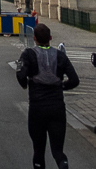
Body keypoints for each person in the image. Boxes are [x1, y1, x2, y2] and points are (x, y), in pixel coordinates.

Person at [16, 23, 79, 169]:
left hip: (37, 107)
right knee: (57, 150)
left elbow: (20, 74)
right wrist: (62, 86)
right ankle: (63, 164)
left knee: (38, 149)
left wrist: (25, 84)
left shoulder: (28, 54)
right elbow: (75, 80)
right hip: (57, 107)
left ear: (34, 38)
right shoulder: (60, 55)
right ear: (50, 38)